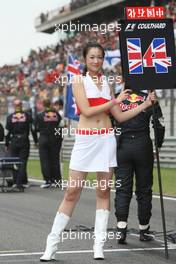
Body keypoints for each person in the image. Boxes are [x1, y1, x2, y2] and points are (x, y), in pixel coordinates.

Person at [40, 42, 156, 262]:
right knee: (72, 192)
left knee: (103, 192)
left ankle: (99, 246)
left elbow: (119, 116)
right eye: (92, 57)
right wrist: (114, 101)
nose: (96, 61)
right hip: (85, 140)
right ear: (85, 59)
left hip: (106, 140)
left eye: (100, 57)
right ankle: (51, 245)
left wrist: (145, 105)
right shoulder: (77, 80)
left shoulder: (106, 82)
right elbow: (85, 110)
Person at [113, 76, 165, 244]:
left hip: (121, 146)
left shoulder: (116, 98)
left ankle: (121, 229)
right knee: (144, 189)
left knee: (122, 189)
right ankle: (144, 230)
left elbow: (107, 123)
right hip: (143, 145)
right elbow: (159, 124)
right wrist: (158, 143)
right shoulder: (149, 97)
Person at [5, 99, 38, 191]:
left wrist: (7, 143)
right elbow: (33, 129)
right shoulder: (27, 116)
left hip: (14, 140)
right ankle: (20, 182)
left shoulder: (10, 117)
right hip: (24, 140)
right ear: (21, 106)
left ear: (14, 106)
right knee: (23, 161)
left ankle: (16, 182)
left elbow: (7, 133)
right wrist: (36, 141)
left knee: (14, 162)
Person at [35, 99, 62, 188]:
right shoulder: (57, 114)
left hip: (44, 138)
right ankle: (57, 180)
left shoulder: (39, 115)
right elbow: (60, 126)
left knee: (45, 160)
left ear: (43, 105)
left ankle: (47, 180)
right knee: (55, 160)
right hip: (55, 138)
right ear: (50, 104)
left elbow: (35, 128)